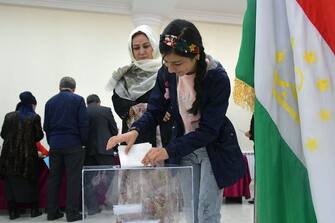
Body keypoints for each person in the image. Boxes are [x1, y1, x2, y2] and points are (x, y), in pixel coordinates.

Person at [107, 19, 245, 223]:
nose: (170, 70)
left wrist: (167, 150)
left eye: (177, 63)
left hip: (212, 148)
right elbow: (155, 109)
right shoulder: (166, 73)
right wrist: (135, 130)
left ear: (196, 55)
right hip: (184, 147)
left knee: (207, 212)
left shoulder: (217, 78)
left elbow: (208, 131)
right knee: (191, 209)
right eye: (166, 62)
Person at [106, 24, 172, 147]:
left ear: (154, 46)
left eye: (146, 46)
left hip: (161, 134)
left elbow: (174, 100)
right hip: (132, 135)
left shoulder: (167, 71)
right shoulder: (125, 74)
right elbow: (119, 104)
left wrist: (165, 110)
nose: (141, 52)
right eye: (136, 48)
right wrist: (147, 108)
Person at [44, 76, 88, 222]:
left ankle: (52, 212)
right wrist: (83, 142)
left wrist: (52, 142)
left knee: (53, 179)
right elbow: (83, 124)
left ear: (59, 86)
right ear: (74, 88)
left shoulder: (49, 102)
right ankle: (72, 213)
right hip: (73, 144)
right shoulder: (78, 100)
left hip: (55, 144)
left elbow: (47, 127)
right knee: (73, 179)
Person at [0, 91, 44, 220]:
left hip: (9, 156)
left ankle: (13, 212)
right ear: (32, 104)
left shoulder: (9, 116)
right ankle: (34, 210)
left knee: (10, 184)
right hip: (27, 156)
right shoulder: (34, 117)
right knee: (31, 182)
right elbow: (38, 136)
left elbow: (3, 134)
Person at [84, 94, 118, 215]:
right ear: (99, 102)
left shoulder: (83, 111)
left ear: (87, 103)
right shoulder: (106, 110)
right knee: (110, 173)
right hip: (105, 148)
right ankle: (105, 198)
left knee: (87, 179)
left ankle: (92, 207)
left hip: (87, 151)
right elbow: (114, 130)